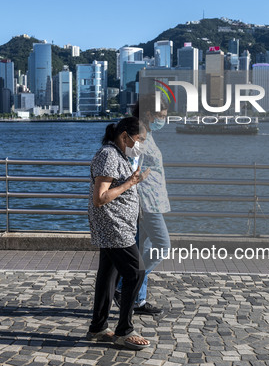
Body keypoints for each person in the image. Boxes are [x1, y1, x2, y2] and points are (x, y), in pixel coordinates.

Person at [86, 116, 151, 350]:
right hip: (113, 226)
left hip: (118, 225)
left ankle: (98, 327)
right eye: (139, 139)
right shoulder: (109, 155)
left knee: (108, 277)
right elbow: (100, 197)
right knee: (136, 272)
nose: (141, 144)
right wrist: (129, 183)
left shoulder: (119, 155)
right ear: (124, 136)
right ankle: (124, 330)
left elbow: (116, 186)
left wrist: (134, 181)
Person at [115, 98, 170, 316]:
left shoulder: (147, 133)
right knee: (162, 245)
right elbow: (128, 164)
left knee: (141, 250)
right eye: (162, 116)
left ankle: (137, 300)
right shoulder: (137, 134)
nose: (164, 121)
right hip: (146, 203)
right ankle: (123, 286)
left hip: (152, 200)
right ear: (149, 114)